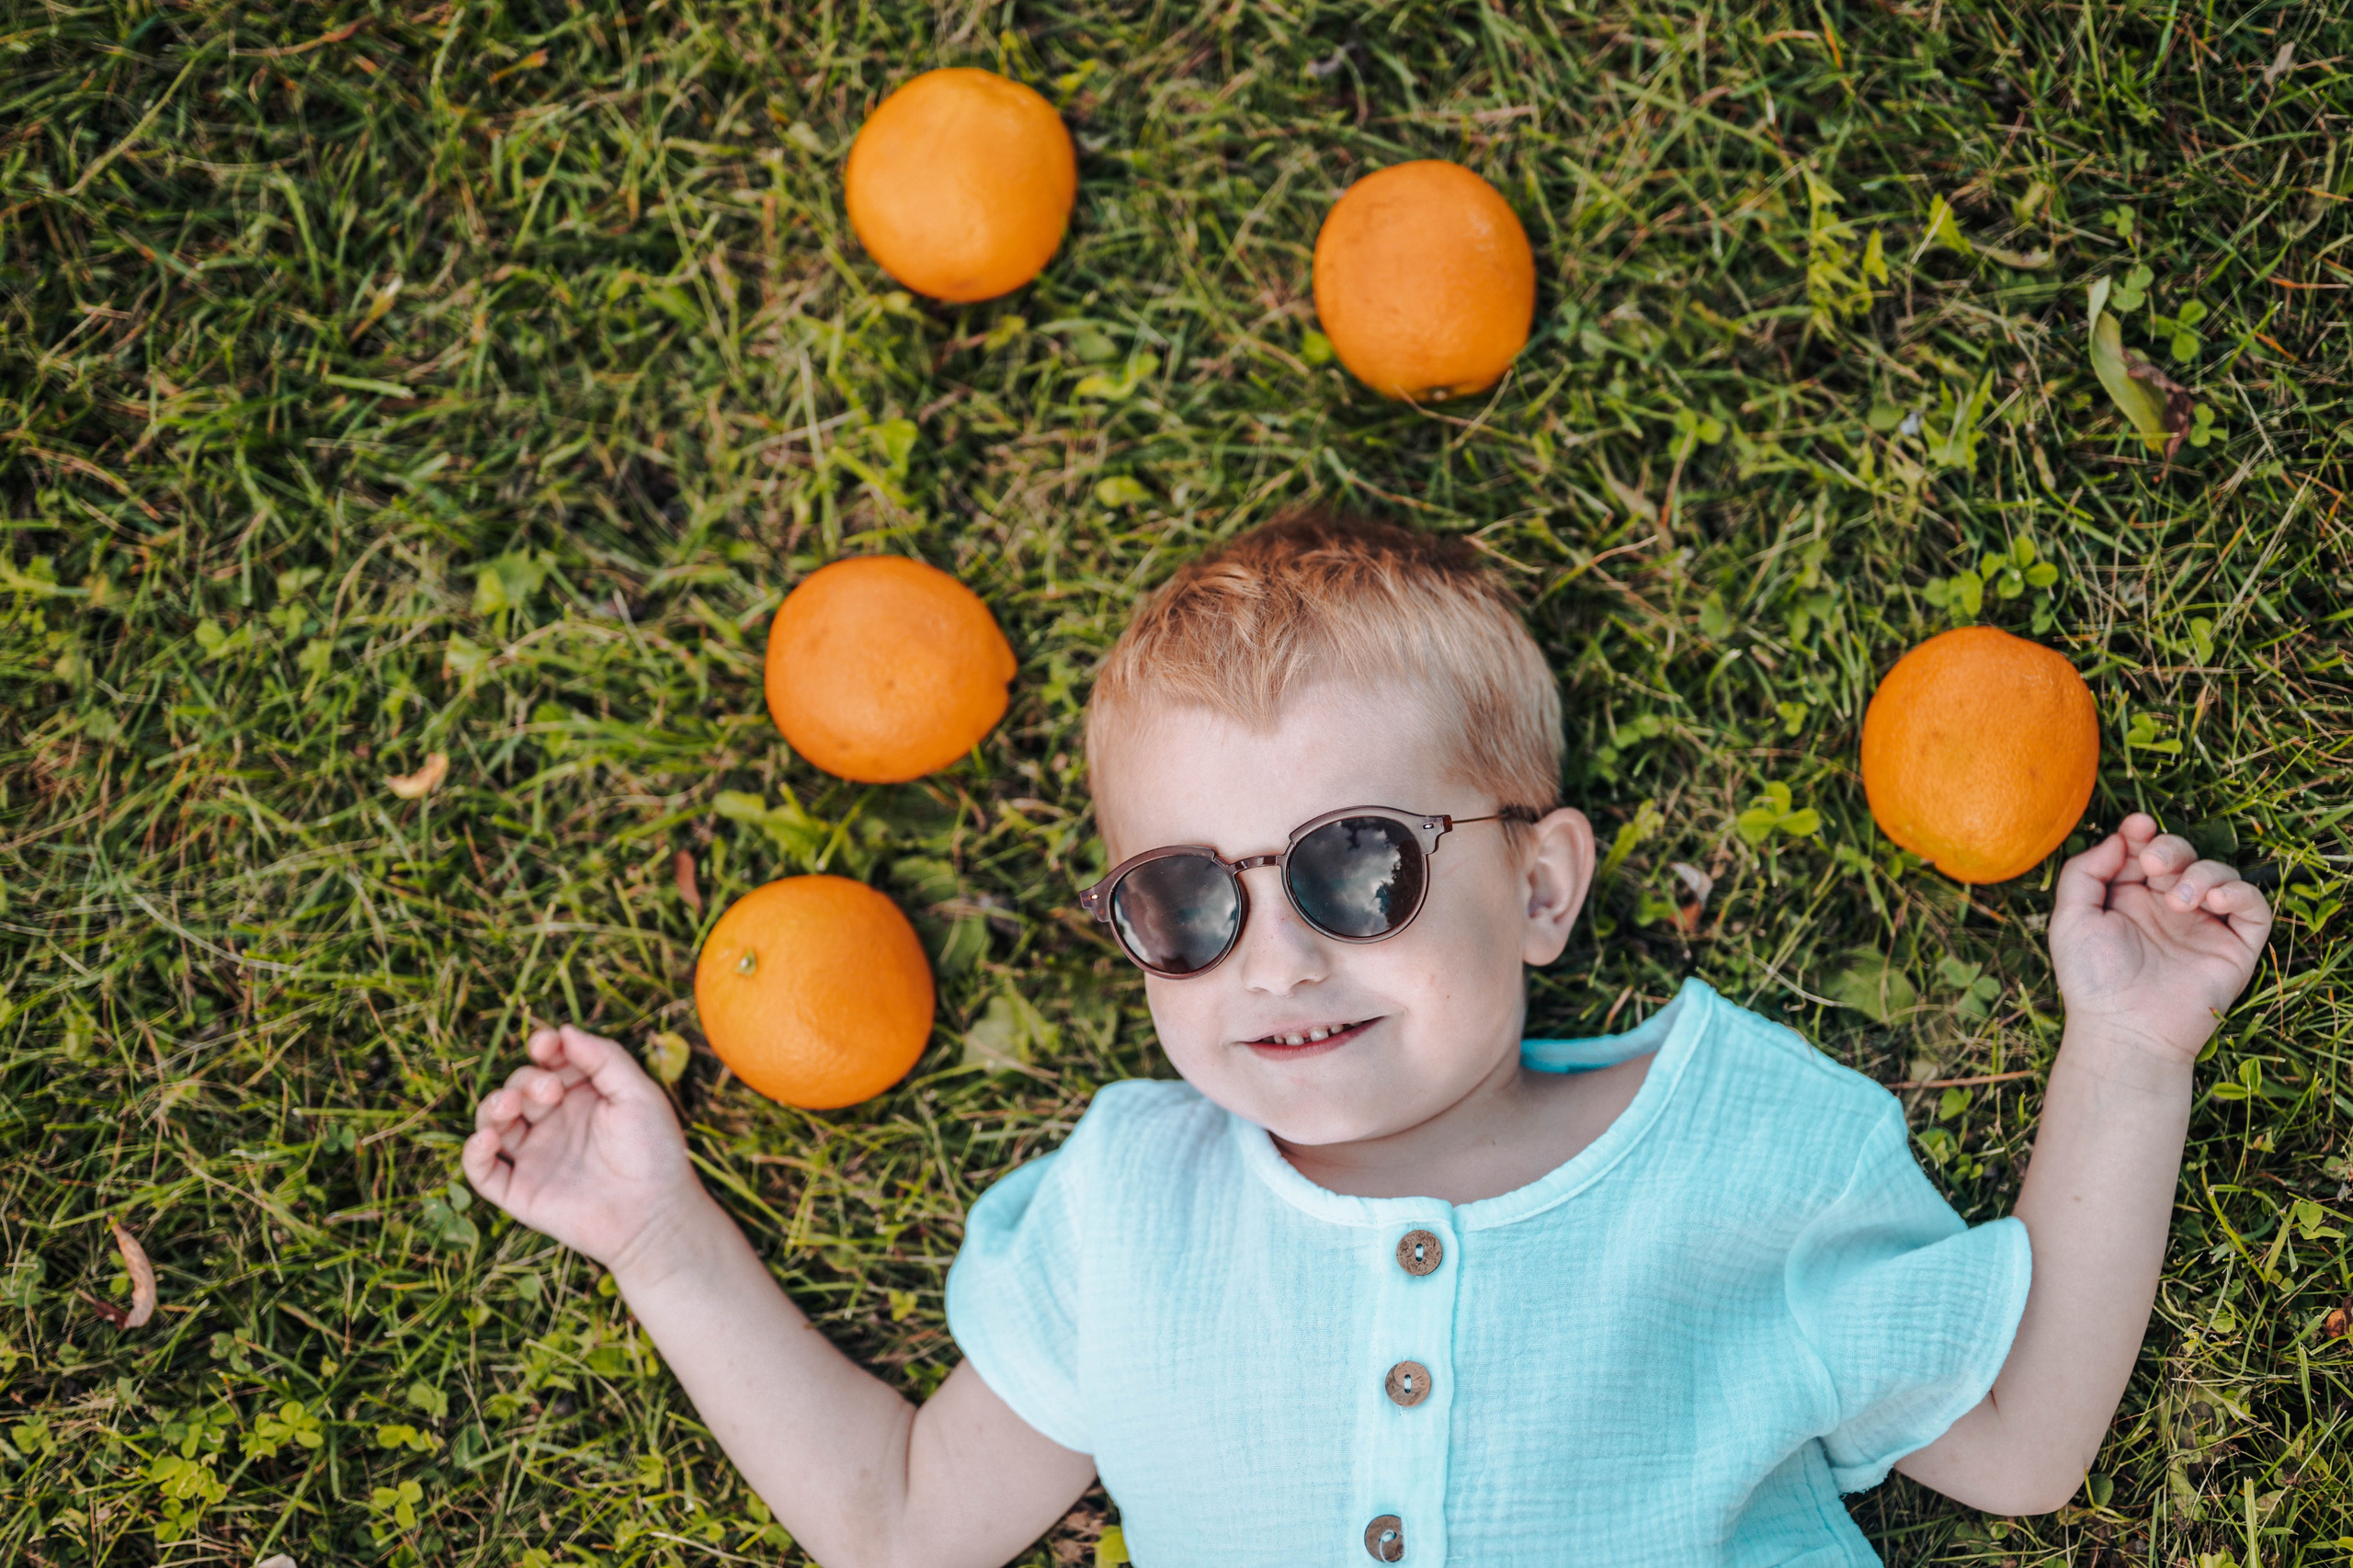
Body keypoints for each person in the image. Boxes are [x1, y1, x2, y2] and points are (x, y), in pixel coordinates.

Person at [463, 513, 2271, 1567]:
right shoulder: (1124, 1216)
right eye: (1186, 898)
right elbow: (900, 1516)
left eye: (1354, 863)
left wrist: (2121, 1054)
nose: (1271, 953)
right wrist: (656, 1236)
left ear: (1543, 888)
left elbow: (2023, 1446)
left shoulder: (1740, 1156)